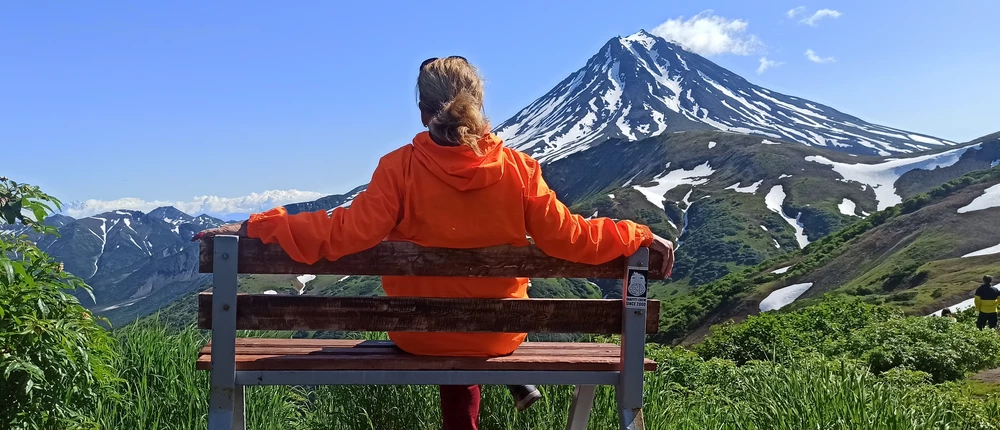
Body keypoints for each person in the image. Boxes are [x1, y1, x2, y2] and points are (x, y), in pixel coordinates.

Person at [193, 56, 675, 430]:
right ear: (478, 108)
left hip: (416, 331)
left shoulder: (398, 168)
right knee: (471, 317)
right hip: (500, 335)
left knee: (437, 303)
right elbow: (569, 238)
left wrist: (258, 226)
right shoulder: (519, 170)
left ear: (422, 111)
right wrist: (636, 233)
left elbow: (341, 233)